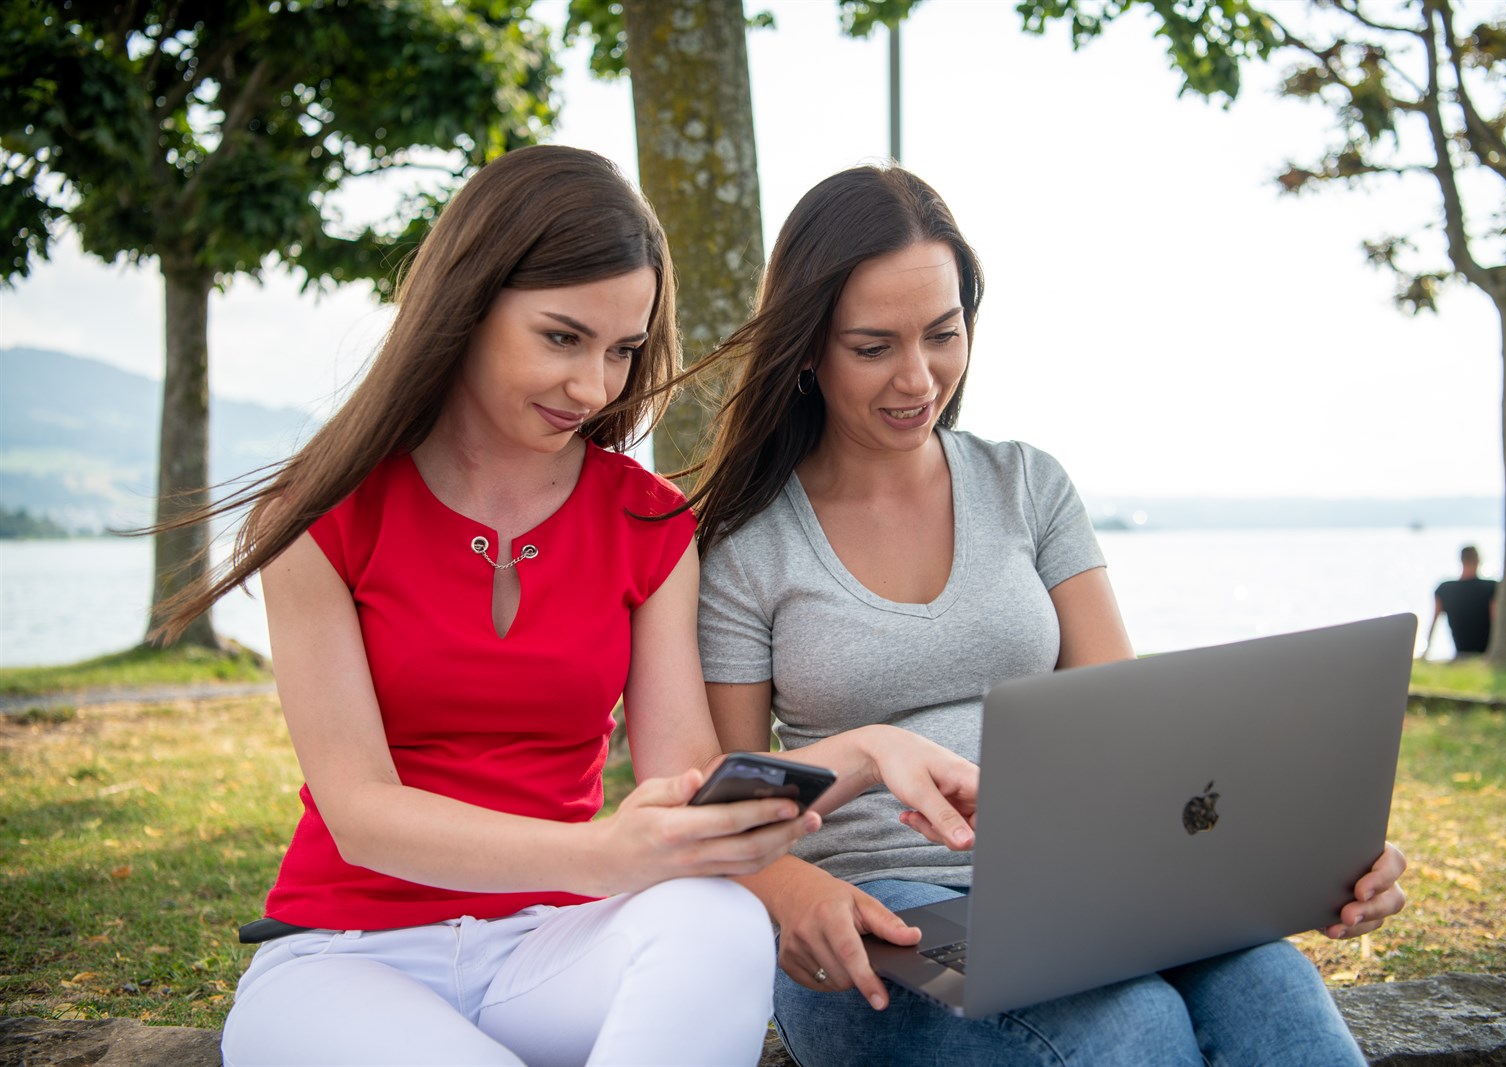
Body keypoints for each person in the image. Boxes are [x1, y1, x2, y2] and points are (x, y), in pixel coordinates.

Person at [148, 146, 979, 1067]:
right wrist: (605, 855)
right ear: (467, 304)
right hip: (344, 958)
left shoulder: (647, 520)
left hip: (555, 950)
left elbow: (697, 785)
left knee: (714, 917)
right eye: (561, 338)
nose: (595, 387)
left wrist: (867, 751)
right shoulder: (321, 516)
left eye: (623, 350)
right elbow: (362, 813)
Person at [686, 164, 1408, 1066]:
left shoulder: (1027, 484)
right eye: (873, 347)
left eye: (944, 334)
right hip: (869, 919)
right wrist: (790, 893)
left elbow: (1132, 733)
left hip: (1081, 894)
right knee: (1132, 1029)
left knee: (1278, 994)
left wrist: (1310, 853)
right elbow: (726, 800)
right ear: (805, 349)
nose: (919, 377)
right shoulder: (747, 546)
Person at [1424, 545, 1497, 657]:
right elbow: (1495, 620)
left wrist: (1426, 651)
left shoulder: (1445, 589)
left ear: (1461, 560)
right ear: (1478, 560)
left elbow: (1434, 622)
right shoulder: (1491, 588)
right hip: (1485, 652)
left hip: (1460, 653)